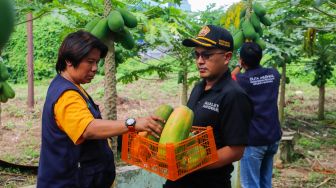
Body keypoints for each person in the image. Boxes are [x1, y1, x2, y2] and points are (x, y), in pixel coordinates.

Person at [37, 30, 163, 188]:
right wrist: (132, 123)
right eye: (90, 61)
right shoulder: (67, 95)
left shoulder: (72, 86)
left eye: (97, 62)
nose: (95, 68)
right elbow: (87, 128)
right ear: (69, 60)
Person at [163, 25, 253, 188]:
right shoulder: (199, 87)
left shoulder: (234, 95)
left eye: (207, 55)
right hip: (178, 180)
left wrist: (193, 164)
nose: (199, 61)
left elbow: (236, 150)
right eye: (196, 55)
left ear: (226, 57)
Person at [232, 42, 282, 188]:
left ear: (242, 60)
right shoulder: (274, 74)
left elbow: (230, 78)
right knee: (265, 183)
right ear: (260, 57)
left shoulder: (240, 80)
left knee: (251, 184)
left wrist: (238, 65)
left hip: (254, 141)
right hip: (272, 137)